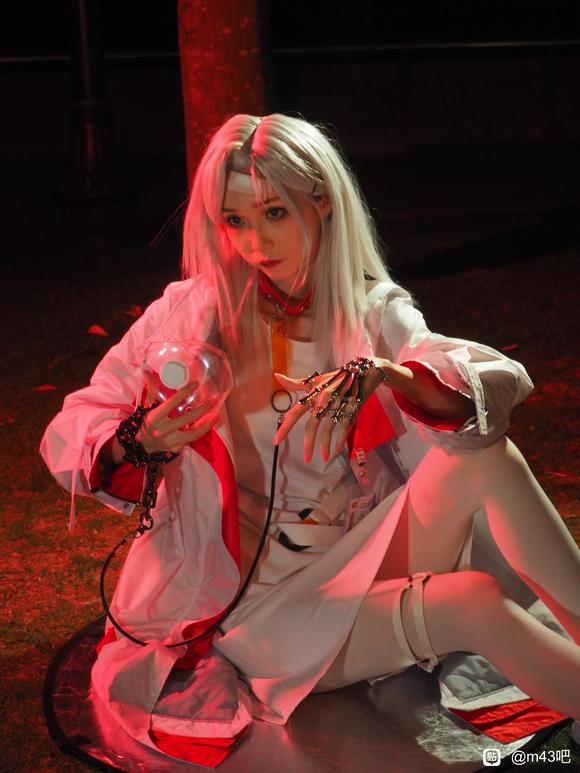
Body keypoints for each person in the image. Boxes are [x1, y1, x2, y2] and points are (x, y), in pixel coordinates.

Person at [41, 113, 580, 765]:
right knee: (473, 599)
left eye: (275, 213)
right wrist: (142, 437)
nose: (256, 242)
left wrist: (386, 373)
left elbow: (484, 389)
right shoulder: (190, 314)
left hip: (355, 561)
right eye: (235, 220)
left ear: (322, 202)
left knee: (486, 457)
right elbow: (74, 425)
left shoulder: (371, 311)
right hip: (254, 613)